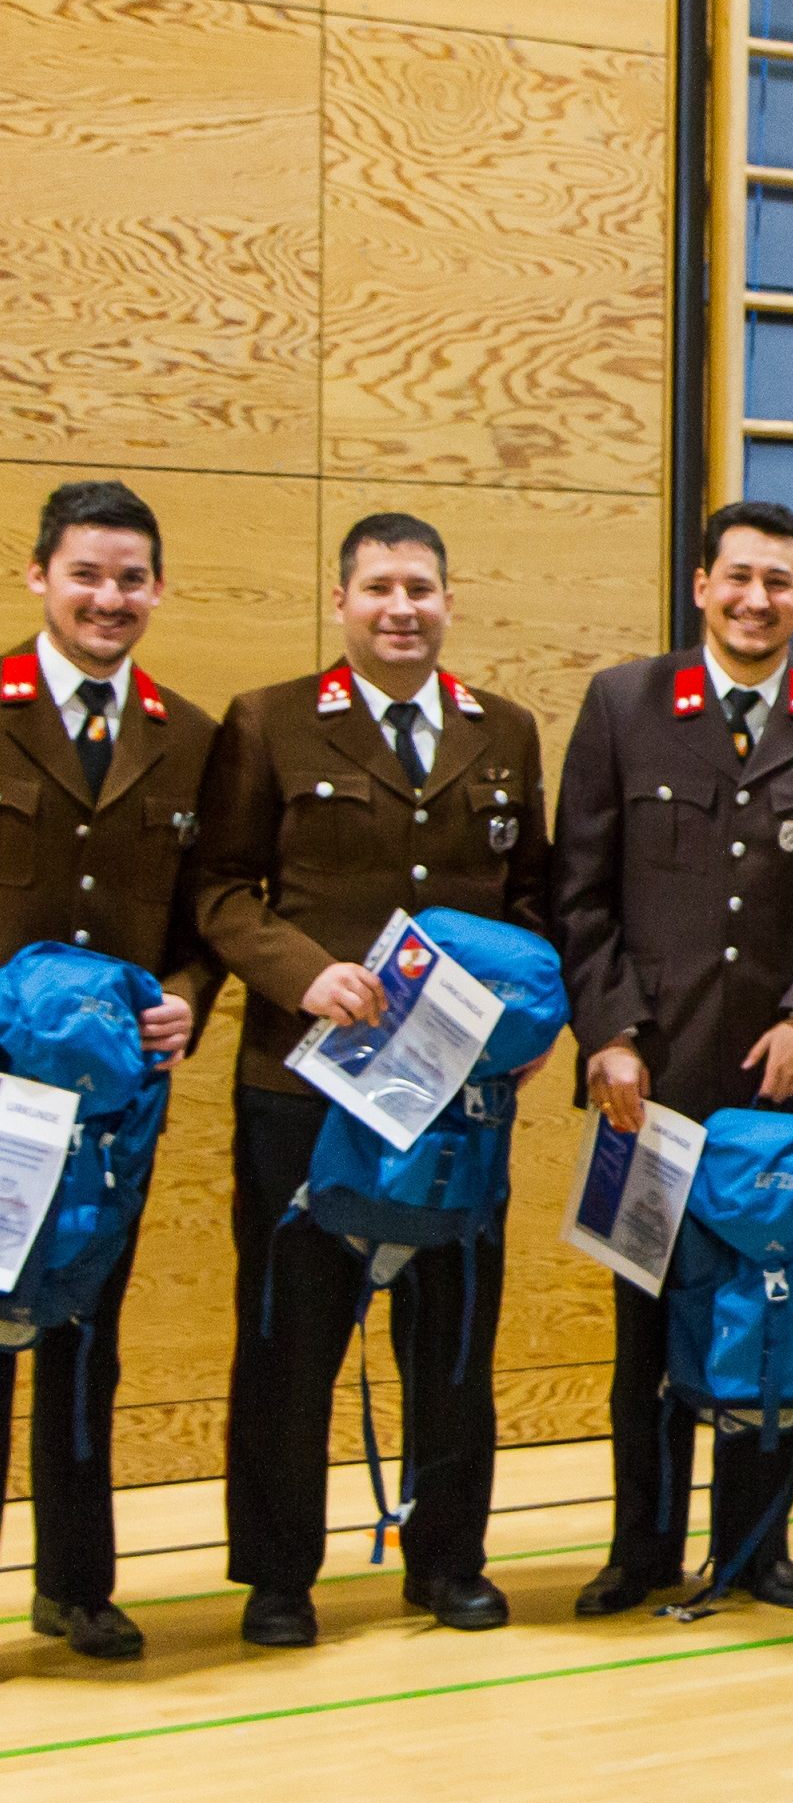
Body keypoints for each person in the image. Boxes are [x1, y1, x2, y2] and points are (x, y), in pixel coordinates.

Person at [195, 512, 554, 1646]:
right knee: (289, 1337)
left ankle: (449, 1562)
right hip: (305, 1090)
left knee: (451, 1337)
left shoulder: (505, 731)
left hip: (456, 1096)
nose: (401, 606)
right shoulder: (271, 722)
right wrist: (305, 975)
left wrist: (533, 1020)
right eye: (379, 588)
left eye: (421, 588)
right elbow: (219, 890)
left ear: (450, 600)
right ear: (341, 601)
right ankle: (279, 1575)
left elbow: (533, 901)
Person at [551, 500, 793, 1617]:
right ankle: (641, 1545)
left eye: (781, 583)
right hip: (643, 1085)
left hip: (782, 1083)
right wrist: (605, 1034)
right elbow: (581, 894)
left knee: (778, 1307)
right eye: (737, 578)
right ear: (700, 584)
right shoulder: (625, 702)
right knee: (644, 1326)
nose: (757, 599)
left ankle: (757, 1542)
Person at [0, 482, 227, 1661]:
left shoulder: (186, 735)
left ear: (157, 588)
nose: (109, 596)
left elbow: (206, 914)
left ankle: (76, 1584)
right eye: (88, 572)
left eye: (131, 576)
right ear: (40, 575)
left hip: (114, 1110)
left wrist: (188, 1001)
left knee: (89, 1332)